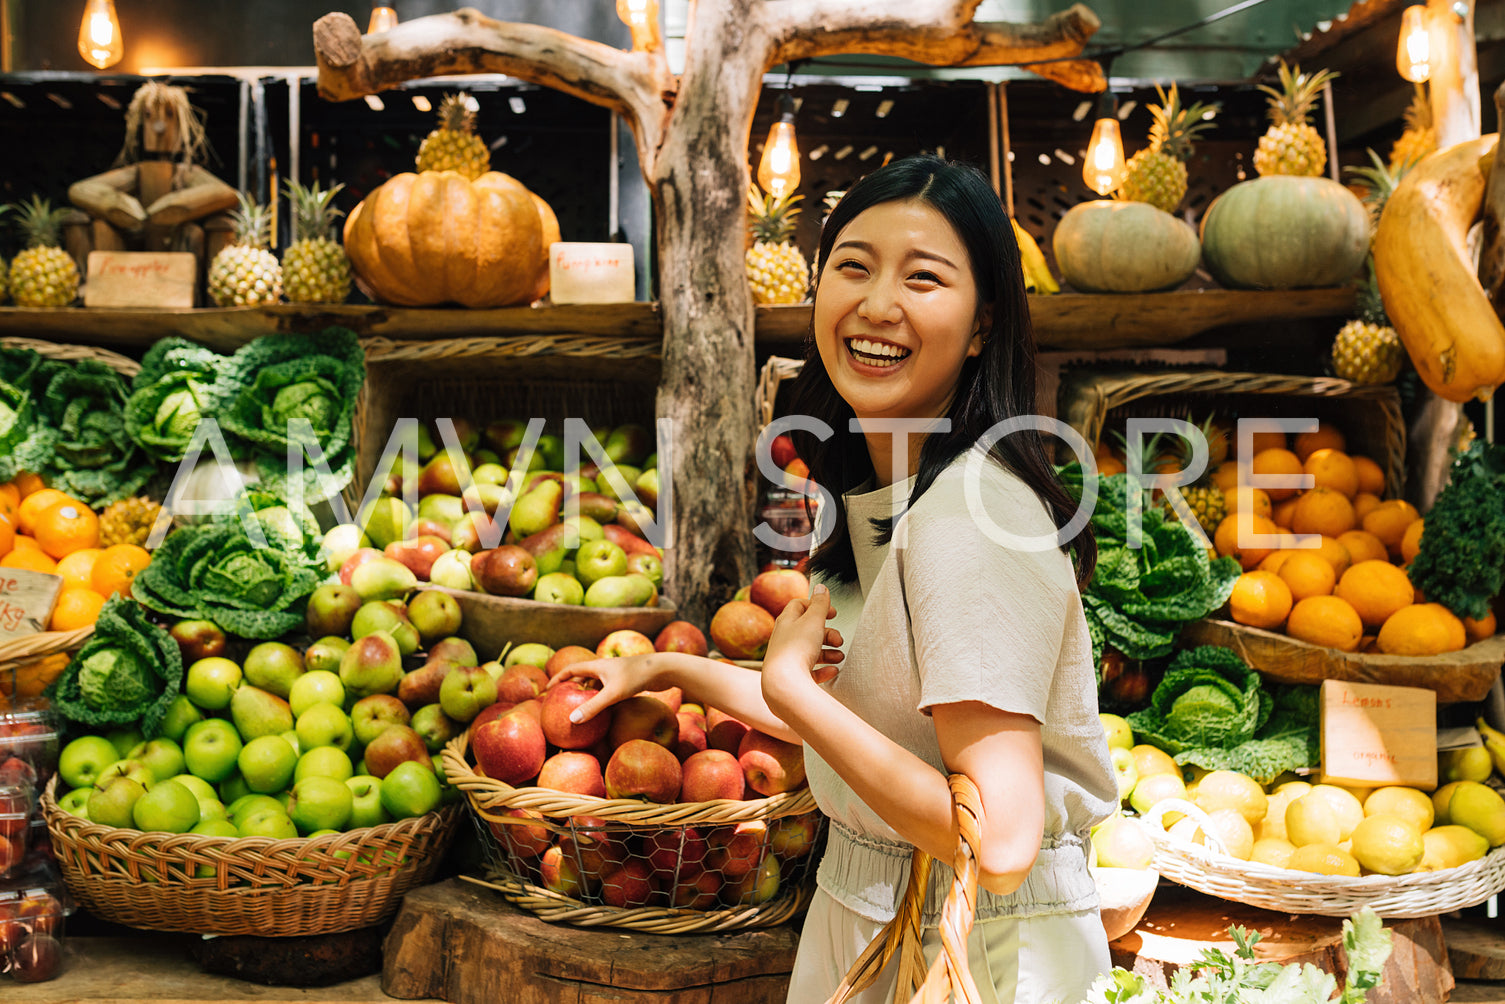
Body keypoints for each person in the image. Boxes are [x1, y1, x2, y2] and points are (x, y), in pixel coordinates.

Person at [553, 155, 1117, 1003]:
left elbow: (997, 844)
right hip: (888, 912)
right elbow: (866, 712)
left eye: (923, 278)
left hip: (971, 946)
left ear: (981, 326)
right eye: (852, 266)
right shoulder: (894, 496)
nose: (876, 303)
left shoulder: (969, 516)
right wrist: (664, 671)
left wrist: (793, 690)